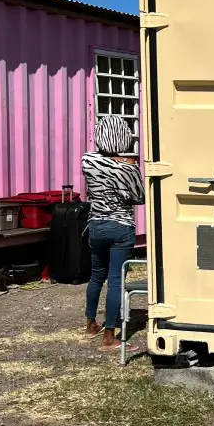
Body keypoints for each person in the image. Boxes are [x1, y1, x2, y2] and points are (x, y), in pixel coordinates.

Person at [82, 115, 145, 352]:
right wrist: (130, 167)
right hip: (120, 226)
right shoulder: (127, 167)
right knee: (116, 281)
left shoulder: (87, 160)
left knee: (97, 275)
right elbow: (138, 198)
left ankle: (90, 324)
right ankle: (109, 336)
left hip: (95, 225)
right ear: (124, 137)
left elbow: (100, 166)